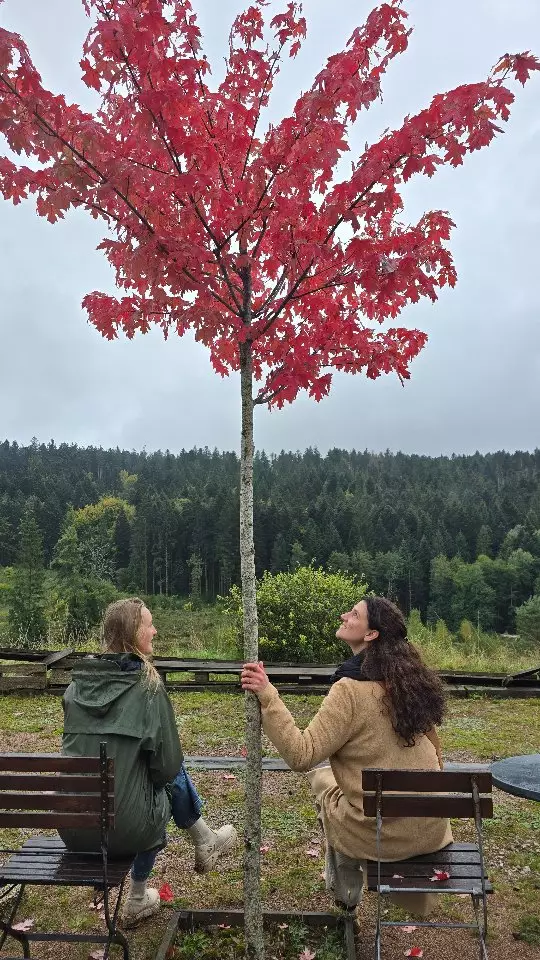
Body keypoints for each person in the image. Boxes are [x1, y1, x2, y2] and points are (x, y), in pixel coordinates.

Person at [241, 596, 452, 915]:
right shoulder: (409, 681)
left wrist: (268, 694)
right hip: (430, 829)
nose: (344, 615)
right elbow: (436, 752)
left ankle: (345, 899)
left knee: (328, 797)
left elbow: (301, 754)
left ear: (371, 635)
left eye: (354, 614)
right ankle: (349, 891)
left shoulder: (351, 690)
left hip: (386, 836)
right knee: (331, 783)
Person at [61, 598, 237, 927]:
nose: (155, 630)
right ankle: (141, 894)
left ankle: (205, 839)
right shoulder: (147, 687)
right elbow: (168, 767)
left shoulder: (74, 688)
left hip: (74, 830)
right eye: (149, 625)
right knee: (165, 781)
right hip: (124, 831)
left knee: (147, 775)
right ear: (133, 633)